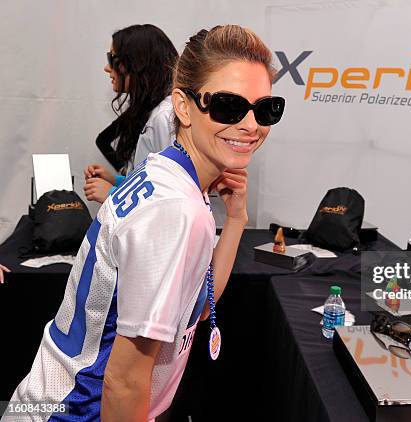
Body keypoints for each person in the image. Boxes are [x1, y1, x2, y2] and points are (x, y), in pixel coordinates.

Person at [3, 25, 284, 421]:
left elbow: (197, 307)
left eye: (266, 108)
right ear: (183, 107)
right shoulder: (174, 209)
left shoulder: (170, 173)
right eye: (227, 106)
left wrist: (235, 220)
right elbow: (125, 379)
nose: (252, 125)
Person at [84, 24, 178, 204]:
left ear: (138, 64)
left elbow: (171, 197)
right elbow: (152, 182)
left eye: (112, 59)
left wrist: (113, 196)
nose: (106, 67)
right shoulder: (152, 112)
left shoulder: (164, 118)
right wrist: (117, 181)